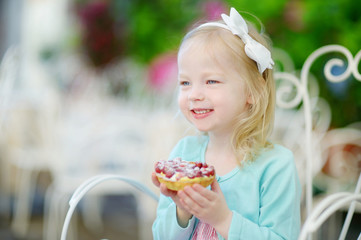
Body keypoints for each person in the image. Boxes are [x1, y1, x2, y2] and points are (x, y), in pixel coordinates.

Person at [151, 7, 301, 240]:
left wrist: (223, 220)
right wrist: (182, 208)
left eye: (211, 81)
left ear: (253, 91)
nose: (194, 94)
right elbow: (161, 236)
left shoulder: (275, 166)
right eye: (185, 82)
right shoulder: (184, 153)